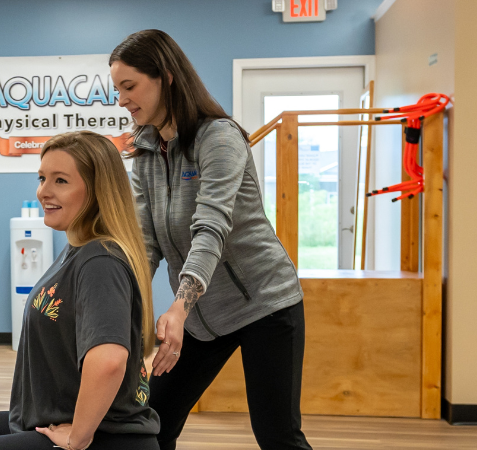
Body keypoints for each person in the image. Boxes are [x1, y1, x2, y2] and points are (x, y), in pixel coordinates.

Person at [110, 29, 312, 450]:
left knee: (277, 436)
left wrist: (178, 310)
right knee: (154, 423)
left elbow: (211, 229)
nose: (123, 99)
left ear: (165, 76)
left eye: (129, 86)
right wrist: (120, 302)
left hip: (264, 304)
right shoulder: (146, 151)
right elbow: (147, 243)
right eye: (118, 89)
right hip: (202, 319)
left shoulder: (218, 137)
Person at [0, 131, 161, 450]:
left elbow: (110, 361)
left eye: (60, 181)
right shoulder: (78, 247)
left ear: (97, 191)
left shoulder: (100, 260)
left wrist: (77, 437)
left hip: (107, 436)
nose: (43, 191)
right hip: (53, 415)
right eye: (42, 178)